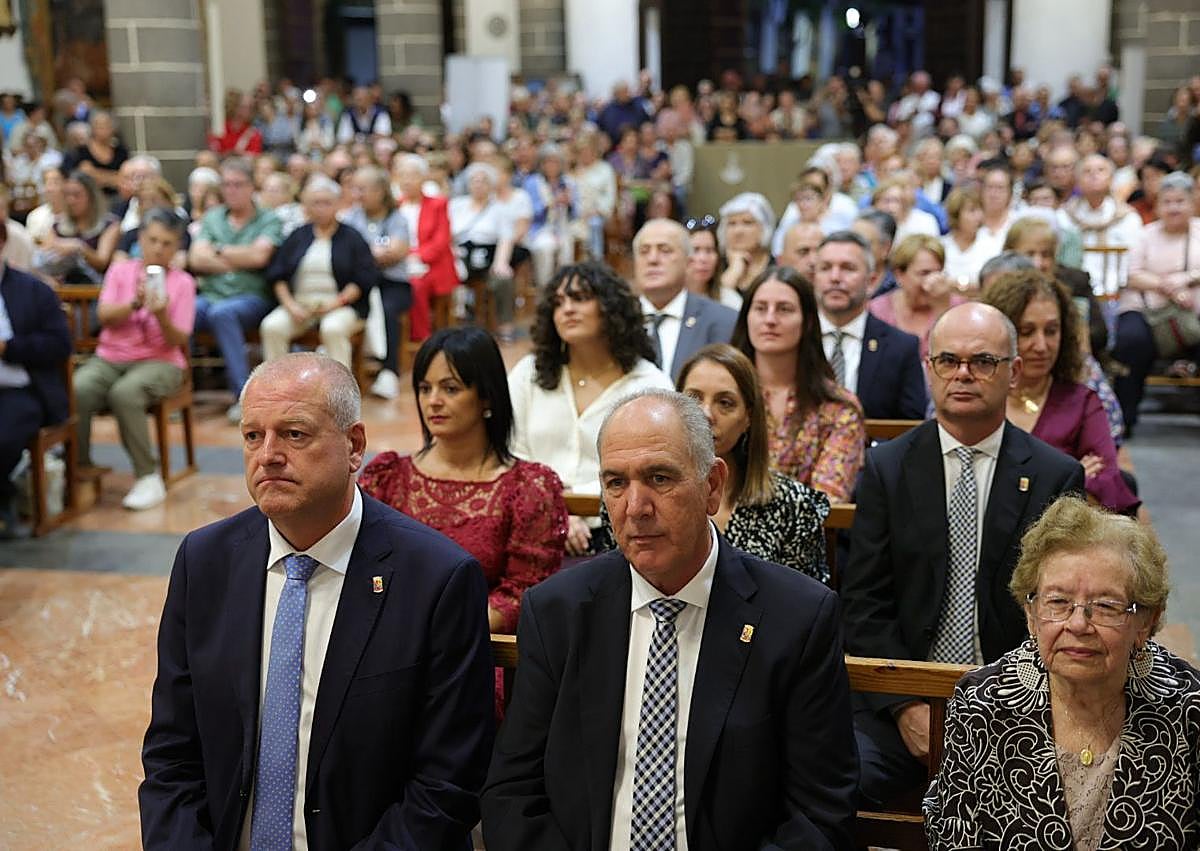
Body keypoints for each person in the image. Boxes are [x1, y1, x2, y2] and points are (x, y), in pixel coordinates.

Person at [138, 353, 495, 849]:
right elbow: (171, 754)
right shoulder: (205, 561)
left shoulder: (437, 579)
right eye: (253, 436)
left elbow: (447, 785)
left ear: (354, 446)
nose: (268, 455)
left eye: (294, 434)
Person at [481, 390, 859, 851]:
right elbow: (512, 794)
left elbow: (820, 816)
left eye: (659, 478)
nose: (635, 507)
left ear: (712, 486)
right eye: (616, 483)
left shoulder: (796, 618)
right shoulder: (557, 612)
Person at [840, 302, 1085, 806]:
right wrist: (906, 707)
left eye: (983, 361)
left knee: (1057, 795)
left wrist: (1003, 709)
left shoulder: (1054, 475)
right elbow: (863, 604)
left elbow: (1058, 612)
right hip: (901, 699)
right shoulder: (888, 468)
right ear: (929, 368)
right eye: (948, 360)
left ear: (1013, 372)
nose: (963, 374)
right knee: (840, 781)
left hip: (1017, 704)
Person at [924, 496, 1200, 849]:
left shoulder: (1188, 706)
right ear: (1031, 614)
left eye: (1106, 606)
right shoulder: (983, 702)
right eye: (1057, 602)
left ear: (1144, 621)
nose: (1078, 624)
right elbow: (953, 835)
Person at [358, 327, 567, 633]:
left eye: (450, 388)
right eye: (425, 388)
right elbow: (362, 573)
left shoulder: (528, 488)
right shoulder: (387, 478)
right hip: (391, 639)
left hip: (478, 643)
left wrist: (443, 633)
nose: (433, 401)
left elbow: (523, 592)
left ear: (486, 396)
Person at [508, 262, 673, 556]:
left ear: (611, 308)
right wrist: (556, 510)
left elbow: (655, 469)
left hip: (620, 528)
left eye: (580, 298)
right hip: (533, 520)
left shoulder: (648, 383)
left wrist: (577, 513)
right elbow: (510, 454)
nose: (567, 309)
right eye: (559, 303)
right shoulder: (529, 373)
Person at [982, 269, 1140, 515]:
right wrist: (1071, 478)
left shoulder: (1083, 402)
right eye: (1026, 332)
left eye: (1051, 331)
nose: (1042, 345)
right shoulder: (979, 399)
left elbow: (1106, 490)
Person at [673, 344, 831, 580]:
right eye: (693, 398)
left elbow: (807, 598)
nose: (706, 414)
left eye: (725, 403)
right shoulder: (644, 493)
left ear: (748, 416)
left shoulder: (794, 505)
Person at [73, 209, 196, 511]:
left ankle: (147, 476)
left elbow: (178, 340)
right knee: (79, 388)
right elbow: (103, 316)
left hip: (162, 361)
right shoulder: (120, 271)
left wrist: (161, 315)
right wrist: (135, 303)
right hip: (110, 356)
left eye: (167, 243)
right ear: (140, 239)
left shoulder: (183, 283)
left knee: (125, 394)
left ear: (177, 247)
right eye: (152, 240)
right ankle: (78, 465)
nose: (158, 248)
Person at [733, 266, 865, 503]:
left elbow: (827, 500)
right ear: (746, 318)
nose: (770, 320)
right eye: (760, 308)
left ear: (808, 322)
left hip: (807, 525)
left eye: (784, 309)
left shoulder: (838, 407)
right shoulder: (723, 398)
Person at [189, 157, 283, 423]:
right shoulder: (213, 218)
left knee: (222, 314)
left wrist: (217, 250)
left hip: (251, 296)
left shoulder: (268, 219)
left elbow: (259, 257)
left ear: (252, 186)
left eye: (238, 184)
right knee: (184, 308)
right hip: (211, 295)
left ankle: (242, 398)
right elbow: (196, 258)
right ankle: (177, 388)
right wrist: (239, 258)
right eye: (226, 185)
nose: (231, 190)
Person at [1111, 171, 1200, 433]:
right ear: (1157, 205)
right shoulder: (1144, 234)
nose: (1174, 208)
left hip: (1192, 314)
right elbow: (1131, 274)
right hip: (1145, 310)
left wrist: (1188, 278)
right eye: (1167, 202)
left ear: (1192, 202)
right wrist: (1167, 287)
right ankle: (1124, 419)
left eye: (1180, 201)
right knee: (1131, 341)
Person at [0, 219, 72, 537]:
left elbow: (59, 345)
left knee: (3, 436)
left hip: (23, 389)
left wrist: (8, 348)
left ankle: (4, 498)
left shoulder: (33, 290)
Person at [260, 176, 377, 370]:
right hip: (300, 304)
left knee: (333, 328)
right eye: (316, 203)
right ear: (307, 206)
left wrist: (336, 303)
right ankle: (277, 384)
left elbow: (363, 278)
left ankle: (339, 387)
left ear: (337, 205)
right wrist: (290, 305)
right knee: (272, 326)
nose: (321, 208)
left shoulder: (352, 237)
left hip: (341, 305)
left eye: (327, 203)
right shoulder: (298, 235)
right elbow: (277, 274)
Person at [813, 231, 928, 420]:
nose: (835, 277)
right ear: (813, 278)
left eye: (848, 268)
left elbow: (911, 426)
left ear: (872, 281)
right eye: (825, 268)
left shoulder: (901, 347)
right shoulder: (794, 339)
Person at [634, 218, 737, 380]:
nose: (652, 259)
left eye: (665, 250)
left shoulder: (723, 321)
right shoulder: (613, 320)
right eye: (644, 251)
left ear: (688, 262)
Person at [343, 165, 411, 400]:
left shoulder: (397, 218)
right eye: (355, 189)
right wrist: (375, 252)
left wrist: (362, 254)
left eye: (362, 189)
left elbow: (396, 252)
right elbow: (344, 254)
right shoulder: (351, 216)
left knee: (387, 309)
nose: (357, 194)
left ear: (380, 191)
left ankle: (389, 371)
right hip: (361, 283)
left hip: (392, 283)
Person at [870, 234, 966, 360]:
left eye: (938, 272)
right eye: (924, 273)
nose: (933, 281)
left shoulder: (958, 308)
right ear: (899, 275)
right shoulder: (878, 310)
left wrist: (942, 310)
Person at [393, 153, 458, 341]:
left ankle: (421, 337)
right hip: (400, 262)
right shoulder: (395, 206)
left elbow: (440, 241)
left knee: (415, 285)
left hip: (432, 265)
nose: (407, 181)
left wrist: (413, 255)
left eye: (412, 175)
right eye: (402, 175)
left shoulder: (438, 204)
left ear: (423, 178)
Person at [36, 170, 119, 283]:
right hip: (62, 287)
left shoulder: (110, 225)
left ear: (91, 197)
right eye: (67, 195)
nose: (71, 200)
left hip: (95, 287)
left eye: (77, 195)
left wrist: (79, 247)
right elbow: (45, 255)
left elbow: (102, 262)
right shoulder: (57, 225)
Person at [61, 111, 128, 200]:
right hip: (89, 199)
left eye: (106, 125)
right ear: (92, 128)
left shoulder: (120, 151)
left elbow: (124, 179)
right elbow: (74, 178)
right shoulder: (80, 152)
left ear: (113, 128)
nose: (103, 129)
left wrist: (94, 173)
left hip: (117, 197)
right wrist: (112, 177)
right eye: (98, 125)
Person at [718, 192, 775, 293]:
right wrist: (734, 270)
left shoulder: (778, 266)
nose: (738, 231)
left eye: (747, 223)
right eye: (731, 223)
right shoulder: (713, 266)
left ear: (764, 229)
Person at [684, 214, 741, 309]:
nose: (703, 258)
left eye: (709, 250)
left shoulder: (730, 300)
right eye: (695, 250)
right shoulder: (667, 297)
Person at [940, 186, 991, 288]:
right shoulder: (942, 245)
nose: (979, 216)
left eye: (980, 209)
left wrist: (952, 284)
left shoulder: (991, 243)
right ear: (956, 214)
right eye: (972, 210)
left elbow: (989, 284)